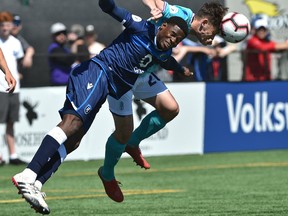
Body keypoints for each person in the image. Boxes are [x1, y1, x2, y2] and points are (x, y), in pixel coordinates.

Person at [12, 0, 191, 213]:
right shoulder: (141, 27)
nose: (173, 41)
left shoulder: (164, 52)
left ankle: (37, 183)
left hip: (108, 87)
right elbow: (110, 8)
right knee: (72, 123)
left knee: (74, 140)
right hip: (98, 72)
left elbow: (167, 61)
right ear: (162, 26)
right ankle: (28, 174)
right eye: (172, 34)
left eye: (178, 40)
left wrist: (181, 69)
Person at [106, 0, 227, 173]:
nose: (211, 38)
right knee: (122, 132)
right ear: (204, 23)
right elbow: (158, 4)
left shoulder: (186, 29)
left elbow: (164, 56)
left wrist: (179, 68)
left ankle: (132, 143)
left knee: (171, 109)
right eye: (212, 33)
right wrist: (153, 7)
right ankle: (108, 173)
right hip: (122, 71)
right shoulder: (183, 16)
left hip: (142, 72)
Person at [0, 11, 26, 165]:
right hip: (0, 87)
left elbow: (20, 62)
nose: (4, 28)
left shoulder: (16, 42)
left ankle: (13, 154)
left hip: (13, 87)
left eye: (7, 24)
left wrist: (14, 74)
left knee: (11, 122)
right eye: (2, 25)